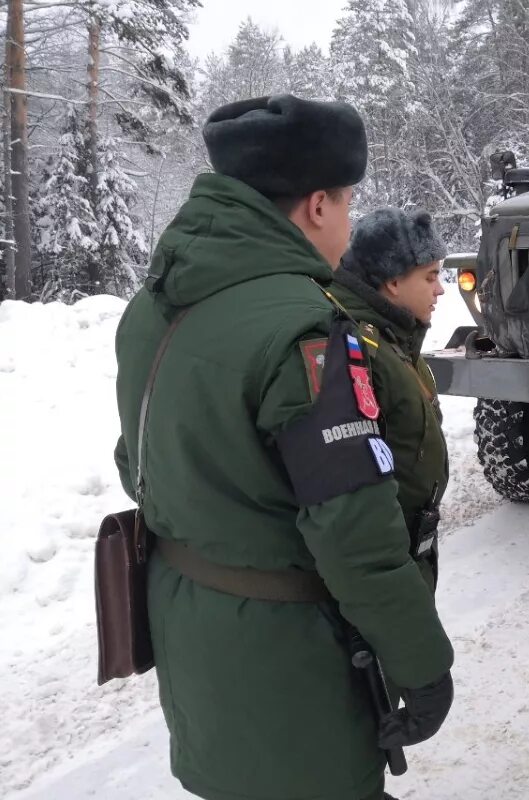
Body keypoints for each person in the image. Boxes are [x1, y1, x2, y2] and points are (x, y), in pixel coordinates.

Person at [112, 95, 453, 800]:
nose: (350, 223)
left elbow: (138, 464)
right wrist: (423, 666)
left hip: (194, 636)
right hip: (291, 659)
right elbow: (355, 533)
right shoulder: (305, 331)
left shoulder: (155, 306)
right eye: (349, 203)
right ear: (318, 206)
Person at [329, 207, 449, 592]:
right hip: (385, 573)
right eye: (430, 276)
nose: (440, 289)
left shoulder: (395, 340)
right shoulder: (356, 348)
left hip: (407, 557)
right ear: (393, 281)